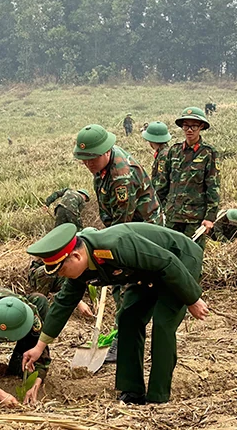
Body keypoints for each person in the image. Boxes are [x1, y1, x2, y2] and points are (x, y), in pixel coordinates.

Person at [22, 223, 209, 404]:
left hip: (179, 261)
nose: (62, 276)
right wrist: (39, 347)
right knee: (128, 318)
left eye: (62, 270)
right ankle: (132, 391)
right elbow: (63, 303)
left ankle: (157, 396)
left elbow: (167, 261)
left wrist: (192, 298)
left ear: (76, 256)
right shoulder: (81, 268)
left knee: (163, 323)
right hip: (146, 273)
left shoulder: (115, 246)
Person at [73, 123, 160, 362]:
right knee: (119, 281)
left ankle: (125, 339)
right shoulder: (101, 167)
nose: (88, 164)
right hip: (122, 228)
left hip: (142, 232)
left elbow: (123, 224)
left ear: (105, 151)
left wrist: (105, 250)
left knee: (125, 284)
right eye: (84, 159)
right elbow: (109, 214)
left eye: (92, 159)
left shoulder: (122, 176)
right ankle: (124, 333)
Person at [155, 107, 220, 250]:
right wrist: (155, 210)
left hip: (194, 219)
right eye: (186, 126)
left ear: (201, 127)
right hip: (172, 216)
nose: (189, 130)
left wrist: (209, 217)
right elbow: (163, 184)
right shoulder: (174, 151)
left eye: (194, 126)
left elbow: (213, 187)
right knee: (168, 253)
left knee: (192, 255)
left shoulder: (208, 153)